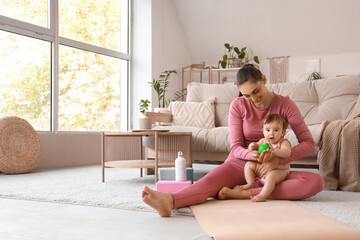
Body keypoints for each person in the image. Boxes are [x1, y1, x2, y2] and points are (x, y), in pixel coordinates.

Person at [142, 63, 324, 217]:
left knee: (316, 182)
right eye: (247, 95)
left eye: (256, 91)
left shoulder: (285, 105)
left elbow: (308, 144)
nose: (254, 99)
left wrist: (277, 158)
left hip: (275, 170)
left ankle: (242, 194)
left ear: (264, 80)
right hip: (240, 164)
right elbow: (236, 147)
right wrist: (255, 156)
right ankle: (170, 201)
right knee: (208, 182)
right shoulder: (238, 105)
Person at [221, 114, 292, 202]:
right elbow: (256, 145)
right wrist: (252, 146)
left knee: (271, 177)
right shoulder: (263, 141)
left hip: (279, 170)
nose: (271, 133)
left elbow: (287, 153)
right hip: (263, 168)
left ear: (283, 132)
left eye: (276, 130)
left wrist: (274, 150)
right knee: (249, 165)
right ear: (263, 131)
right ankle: (251, 183)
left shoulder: (283, 142)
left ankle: (262, 195)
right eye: (268, 130)